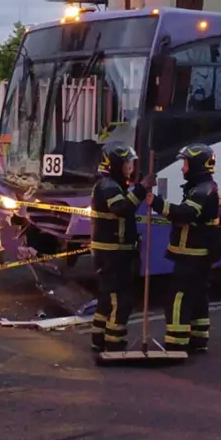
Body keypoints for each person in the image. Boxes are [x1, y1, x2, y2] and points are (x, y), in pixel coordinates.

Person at [146, 143, 221, 355]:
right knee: (198, 296)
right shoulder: (202, 187)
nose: (183, 169)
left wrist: (155, 202)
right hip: (199, 256)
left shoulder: (203, 190)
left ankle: (176, 342)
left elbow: (185, 214)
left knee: (178, 298)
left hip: (192, 256)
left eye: (185, 163)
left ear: (197, 165)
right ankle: (199, 338)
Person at [89, 142, 155, 353]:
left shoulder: (111, 184)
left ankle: (99, 338)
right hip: (113, 252)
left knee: (108, 297)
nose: (131, 167)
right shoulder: (108, 186)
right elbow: (121, 208)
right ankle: (114, 342)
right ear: (117, 164)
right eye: (127, 163)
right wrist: (142, 188)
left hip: (113, 250)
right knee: (121, 298)